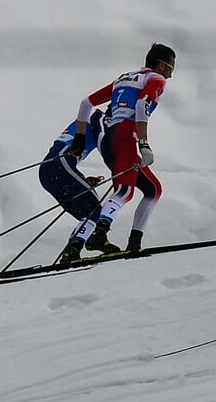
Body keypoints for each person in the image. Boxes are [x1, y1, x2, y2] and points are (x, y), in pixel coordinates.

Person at [70, 43, 175, 257]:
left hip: (108, 139)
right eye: (171, 68)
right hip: (126, 136)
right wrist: (144, 143)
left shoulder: (123, 78)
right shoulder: (156, 79)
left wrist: (79, 137)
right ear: (162, 65)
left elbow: (86, 102)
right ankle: (99, 233)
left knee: (153, 189)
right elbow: (141, 106)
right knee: (124, 191)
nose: (171, 75)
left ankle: (133, 242)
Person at [41, 106, 117, 264]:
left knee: (88, 213)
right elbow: (108, 147)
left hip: (50, 171)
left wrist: (84, 180)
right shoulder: (99, 120)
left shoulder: (91, 121)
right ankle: (79, 246)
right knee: (94, 209)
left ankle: (78, 247)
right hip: (60, 163)